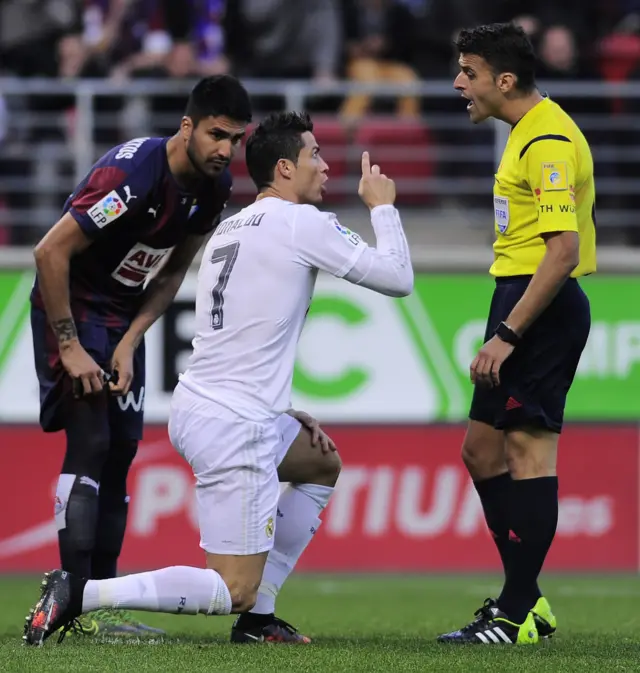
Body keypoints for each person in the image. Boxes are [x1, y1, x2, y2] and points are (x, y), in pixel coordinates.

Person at [23, 111, 414, 647]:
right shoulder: (302, 224)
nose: (326, 166)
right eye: (315, 156)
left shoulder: (231, 227)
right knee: (232, 589)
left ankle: (260, 624)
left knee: (320, 462)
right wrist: (383, 207)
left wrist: (285, 408)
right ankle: (82, 594)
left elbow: (249, 334)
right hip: (237, 423)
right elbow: (398, 278)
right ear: (283, 168)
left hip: (202, 403)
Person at [29, 75, 252, 637]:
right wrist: (71, 344)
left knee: (123, 452)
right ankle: (68, 607)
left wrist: (130, 340)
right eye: (216, 134)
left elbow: (174, 269)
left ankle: (100, 609)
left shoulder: (213, 187)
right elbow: (50, 252)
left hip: (120, 322)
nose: (225, 150)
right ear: (187, 126)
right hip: (74, 310)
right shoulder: (131, 177)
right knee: (93, 443)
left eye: (236, 139)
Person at [437, 23, 596, 645]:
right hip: (519, 296)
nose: (458, 83)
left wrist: (506, 333)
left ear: (504, 81)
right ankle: (525, 601)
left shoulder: (549, 140)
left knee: (529, 454)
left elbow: (562, 251)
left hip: (541, 306)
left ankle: (515, 613)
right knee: (480, 451)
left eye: (468, 72)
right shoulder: (526, 134)